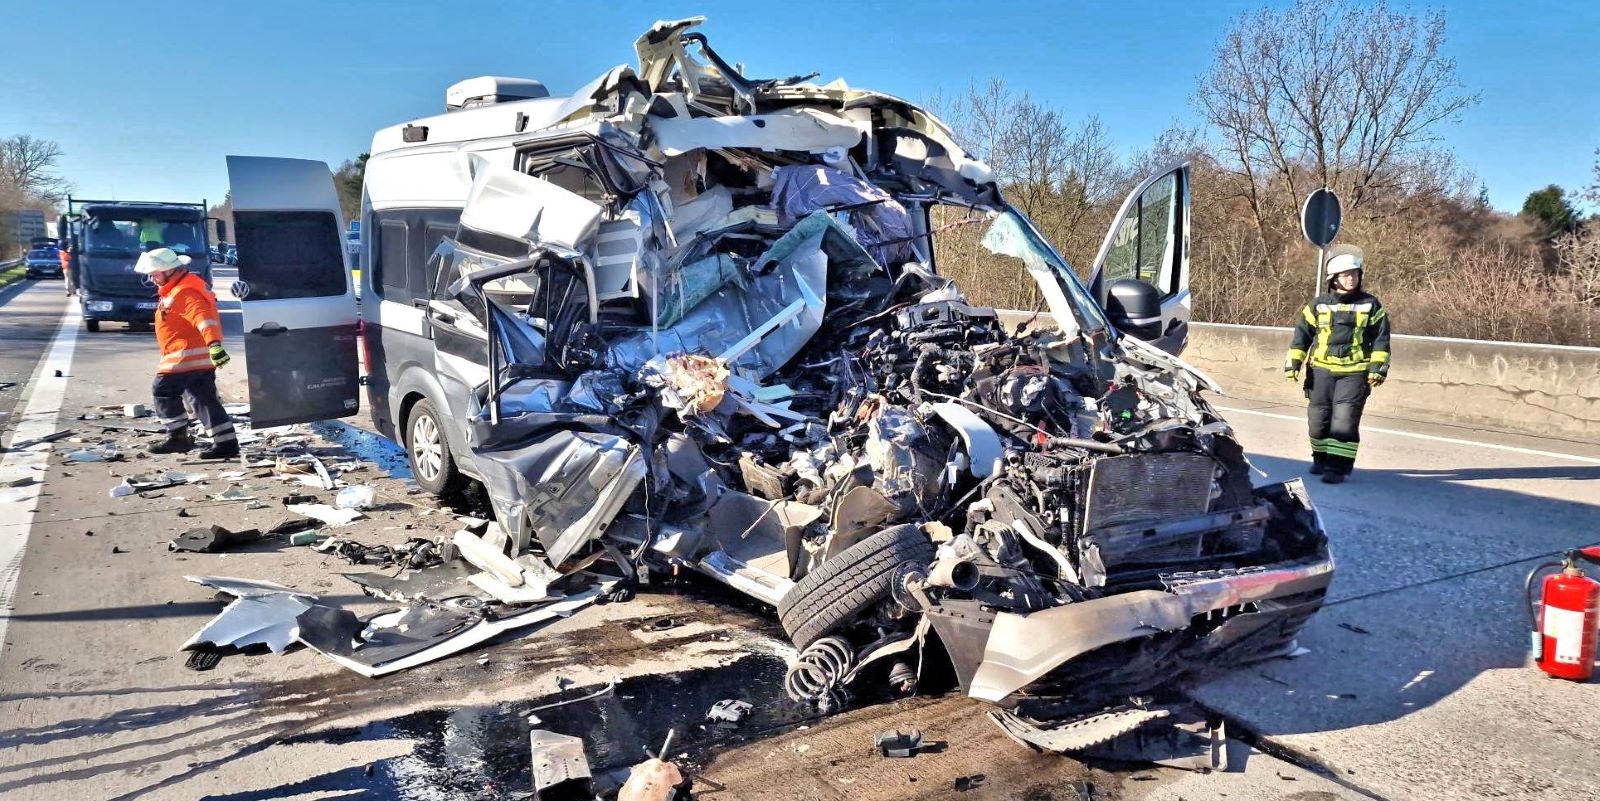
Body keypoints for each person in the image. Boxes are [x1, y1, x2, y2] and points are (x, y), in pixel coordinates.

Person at [1284, 252, 1391, 484]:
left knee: (1344, 420)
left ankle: (1337, 468)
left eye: (1354, 274)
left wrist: (1378, 368)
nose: (1351, 279)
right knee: (1318, 421)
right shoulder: (1318, 305)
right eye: (1345, 275)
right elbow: (1302, 335)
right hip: (1320, 372)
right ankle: (1320, 458)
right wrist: (1293, 362)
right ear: (1333, 279)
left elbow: (1381, 339)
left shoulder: (1371, 305)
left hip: (1355, 372)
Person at [133, 248, 239, 459]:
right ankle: (226, 443)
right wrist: (212, 347)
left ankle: (178, 438)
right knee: (203, 399)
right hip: (196, 357)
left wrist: (214, 344)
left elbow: (204, 319)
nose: (152, 279)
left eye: (155, 274)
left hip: (185, 358)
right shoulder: (181, 288)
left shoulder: (185, 292)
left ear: (170, 271)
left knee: (163, 390)